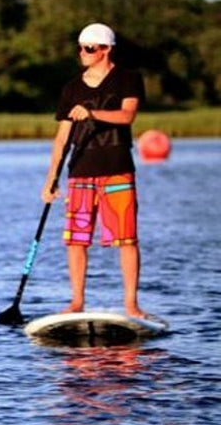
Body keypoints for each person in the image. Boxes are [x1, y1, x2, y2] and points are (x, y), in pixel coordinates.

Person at [41, 22, 149, 319]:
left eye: (89, 48)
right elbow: (62, 137)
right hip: (79, 171)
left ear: (105, 50)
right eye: (81, 47)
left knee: (127, 239)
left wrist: (91, 113)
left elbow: (127, 115)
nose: (83, 53)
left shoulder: (128, 79)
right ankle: (77, 302)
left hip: (116, 168)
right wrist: (51, 179)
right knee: (76, 240)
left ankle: (131, 304)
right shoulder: (72, 88)